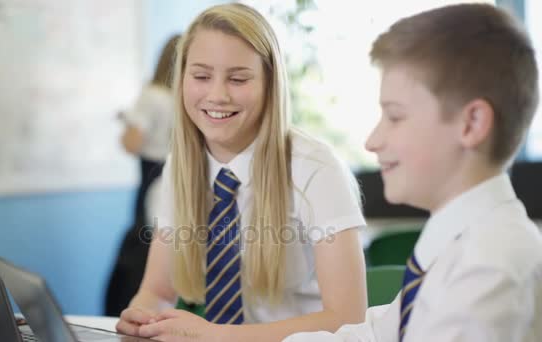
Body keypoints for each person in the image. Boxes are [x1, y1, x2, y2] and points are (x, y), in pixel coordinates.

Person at [285, 3, 541, 342]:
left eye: (395, 116)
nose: (372, 141)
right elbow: (380, 332)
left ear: (472, 123)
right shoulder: (455, 240)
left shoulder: (490, 266)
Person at [115, 3, 368, 341]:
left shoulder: (316, 169)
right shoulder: (181, 166)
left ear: (270, 83)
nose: (217, 95)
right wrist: (142, 317)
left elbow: (347, 318)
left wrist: (217, 336)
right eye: (201, 76)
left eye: (237, 79)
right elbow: (158, 290)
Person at [105, 34, 181, 317]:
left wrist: (127, 123)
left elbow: (132, 143)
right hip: (174, 178)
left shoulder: (152, 96)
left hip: (153, 178)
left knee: (140, 251)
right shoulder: (182, 99)